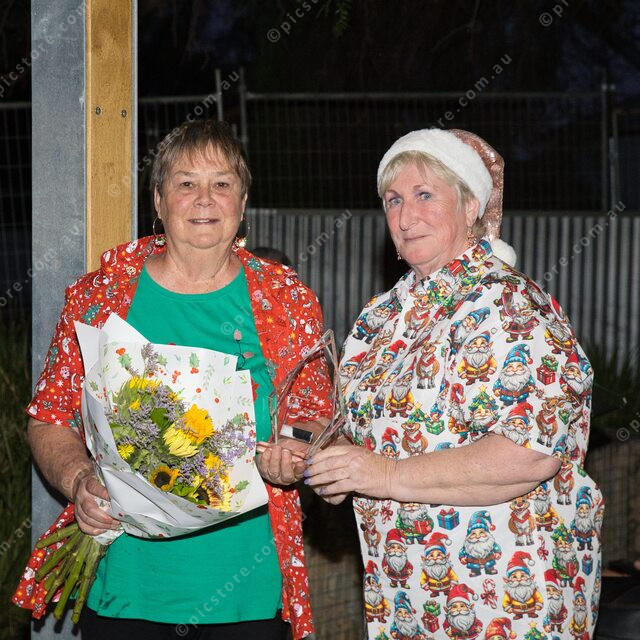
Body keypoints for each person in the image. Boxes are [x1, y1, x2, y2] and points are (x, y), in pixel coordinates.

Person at [13, 120, 331, 640]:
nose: (205, 199)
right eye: (186, 183)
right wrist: (78, 479)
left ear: (242, 201)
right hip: (127, 587)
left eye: (222, 183)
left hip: (248, 592)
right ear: (158, 202)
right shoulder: (102, 296)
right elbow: (49, 417)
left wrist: (295, 451)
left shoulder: (286, 300)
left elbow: (315, 418)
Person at [304, 128, 603, 639]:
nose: (405, 216)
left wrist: (385, 475)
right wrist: (320, 458)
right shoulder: (382, 317)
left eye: (425, 195)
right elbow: (367, 439)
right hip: (405, 596)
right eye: (394, 200)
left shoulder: (508, 304)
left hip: (506, 602)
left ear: (470, 206)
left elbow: (529, 454)